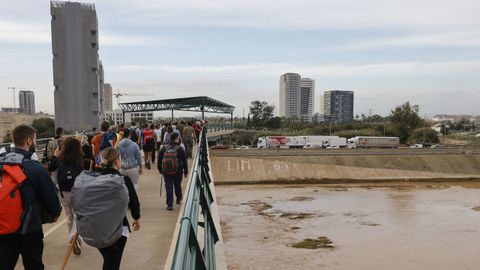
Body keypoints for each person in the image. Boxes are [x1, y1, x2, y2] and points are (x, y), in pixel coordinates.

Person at [0, 125, 62, 270]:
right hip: (29, 229)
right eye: (34, 139)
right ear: (29, 141)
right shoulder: (34, 167)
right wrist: (54, 214)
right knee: (34, 265)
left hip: (3, 226)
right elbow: (51, 197)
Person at [99, 147, 141, 270]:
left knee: (108, 259)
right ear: (117, 161)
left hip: (98, 227)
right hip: (117, 228)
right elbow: (134, 201)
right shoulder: (123, 180)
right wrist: (136, 217)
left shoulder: (95, 178)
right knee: (113, 263)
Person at [47, 137, 84, 255]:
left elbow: (50, 168)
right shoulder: (80, 158)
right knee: (77, 215)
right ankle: (75, 237)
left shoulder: (60, 159)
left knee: (69, 216)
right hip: (78, 190)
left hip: (64, 191)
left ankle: (71, 238)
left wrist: (55, 155)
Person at [157, 132, 188, 210]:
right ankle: (178, 198)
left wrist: (160, 169)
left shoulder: (164, 148)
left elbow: (159, 160)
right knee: (177, 185)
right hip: (178, 171)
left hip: (166, 171)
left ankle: (169, 205)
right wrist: (186, 171)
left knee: (169, 186)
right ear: (177, 139)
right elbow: (184, 161)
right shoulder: (180, 149)